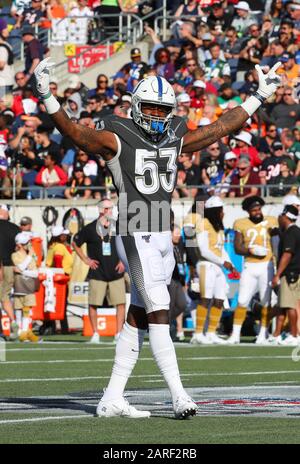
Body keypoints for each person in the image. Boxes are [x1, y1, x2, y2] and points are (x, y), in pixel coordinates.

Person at [33, 56, 282, 419]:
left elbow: (217, 129)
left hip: (162, 232)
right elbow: (77, 134)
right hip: (135, 229)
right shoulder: (118, 136)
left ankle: (112, 397)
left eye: (162, 108)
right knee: (159, 310)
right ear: (135, 106)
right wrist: (48, 99)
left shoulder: (175, 134)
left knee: (138, 313)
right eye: (149, 106)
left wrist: (258, 96)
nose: (154, 113)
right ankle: (179, 395)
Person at [72, 198, 126, 343]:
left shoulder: (118, 226)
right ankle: (95, 333)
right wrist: (86, 260)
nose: (110, 211)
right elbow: (75, 242)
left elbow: (128, 243)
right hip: (97, 273)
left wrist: (123, 261)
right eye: (107, 208)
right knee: (93, 303)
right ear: (101, 210)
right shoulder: (90, 228)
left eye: (111, 208)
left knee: (120, 303)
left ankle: (118, 333)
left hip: (116, 271)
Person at [227, 196, 278, 345]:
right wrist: (250, 250)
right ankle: (235, 335)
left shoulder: (271, 221)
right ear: (248, 211)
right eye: (254, 210)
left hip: (267, 265)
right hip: (250, 265)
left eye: (259, 209)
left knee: (265, 301)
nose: (257, 212)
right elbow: (237, 247)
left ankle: (263, 334)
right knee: (242, 300)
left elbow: (277, 241)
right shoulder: (240, 223)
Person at [191, 196, 233, 345]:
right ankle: (197, 333)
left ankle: (211, 333)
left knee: (220, 299)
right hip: (205, 265)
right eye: (221, 210)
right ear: (215, 210)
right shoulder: (202, 223)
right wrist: (223, 262)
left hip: (217, 266)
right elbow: (203, 250)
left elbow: (220, 249)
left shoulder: (218, 226)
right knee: (205, 299)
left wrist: (229, 263)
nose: (223, 213)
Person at [271, 205, 300, 346]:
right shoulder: (294, 231)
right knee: (283, 305)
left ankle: (294, 335)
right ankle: (277, 334)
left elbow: (287, 254)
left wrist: (277, 274)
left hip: (290, 273)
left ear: (285, 216)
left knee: (290, 306)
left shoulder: (291, 233)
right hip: (294, 272)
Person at [11, 231, 40, 342]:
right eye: (26, 243)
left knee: (27, 312)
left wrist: (22, 271)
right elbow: (21, 266)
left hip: (29, 288)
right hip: (18, 287)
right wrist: (28, 259)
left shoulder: (31, 256)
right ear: (19, 245)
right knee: (18, 310)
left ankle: (24, 332)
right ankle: (19, 333)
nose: (29, 244)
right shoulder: (15, 255)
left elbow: (35, 273)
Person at [0, 204, 20, 340]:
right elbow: (20, 248)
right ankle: (13, 322)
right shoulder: (15, 228)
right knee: (5, 296)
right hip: (10, 266)